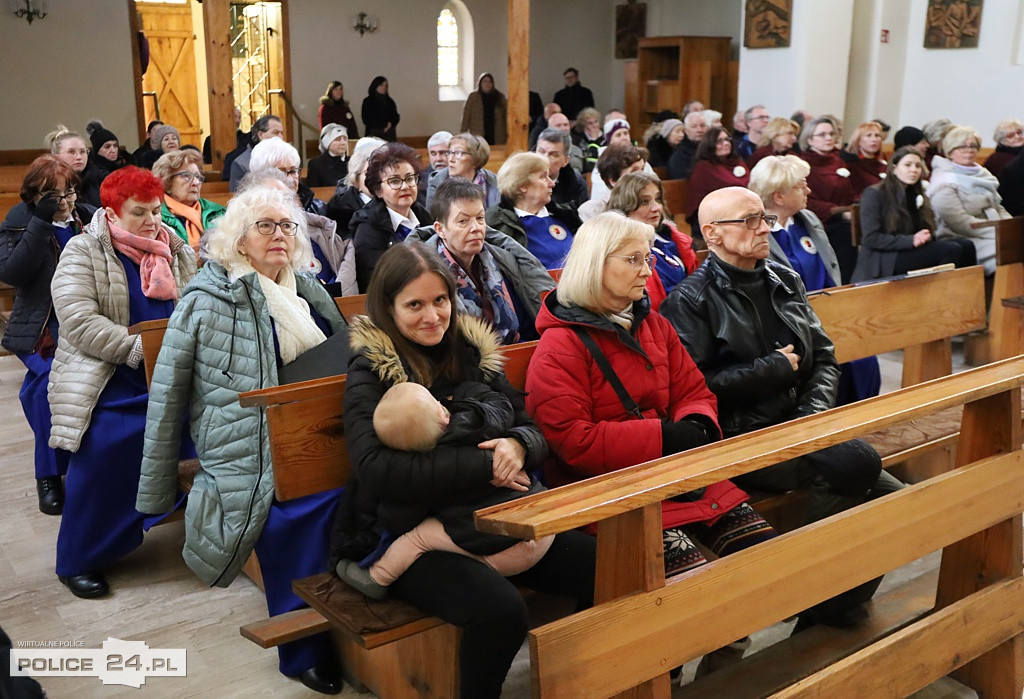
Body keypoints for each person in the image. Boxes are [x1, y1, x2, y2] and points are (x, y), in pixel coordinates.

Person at [333, 242, 596, 698]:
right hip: (409, 529)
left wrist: (517, 444)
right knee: (499, 612)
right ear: (387, 307)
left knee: (607, 566)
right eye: (414, 304)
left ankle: (587, 679)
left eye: (441, 301)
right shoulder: (372, 369)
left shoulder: (471, 350)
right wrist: (484, 465)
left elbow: (531, 427)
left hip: (490, 512)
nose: (433, 316)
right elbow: (375, 470)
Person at [525, 211, 775, 676]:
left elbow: (693, 390)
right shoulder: (559, 348)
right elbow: (572, 442)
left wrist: (696, 424)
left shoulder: (652, 325)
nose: (648, 269)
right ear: (597, 265)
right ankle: (659, 674)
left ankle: (724, 672)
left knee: (762, 560)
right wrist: (663, 435)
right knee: (694, 590)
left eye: (647, 258)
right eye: (634, 259)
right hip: (608, 493)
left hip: (676, 476)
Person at [137, 185, 349, 695]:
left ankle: (362, 616)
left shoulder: (307, 287)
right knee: (302, 510)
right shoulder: (206, 300)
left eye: (287, 226)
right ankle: (302, 648)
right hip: (248, 444)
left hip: (320, 428)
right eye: (265, 226)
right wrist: (157, 489)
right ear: (238, 239)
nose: (280, 235)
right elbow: (165, 396)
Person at [661, 187, 903, 629]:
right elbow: (695, 391)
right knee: (852, 470)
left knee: (896, 501)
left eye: (763, 217)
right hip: (742, 437)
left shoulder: (782, 278)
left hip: (801, 428)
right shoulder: (690, 302)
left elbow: (825, 357)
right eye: (749, 220)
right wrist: (769, 369)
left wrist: (809, 416)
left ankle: (827, 603)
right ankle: (817, 602)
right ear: (712, 233)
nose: (762, 228)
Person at [48, 166, 197, 599]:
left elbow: (197, 301)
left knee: (226, 425)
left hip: (173, 372)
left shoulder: (175, 246)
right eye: (139, 213)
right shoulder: (83, 251)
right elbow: (77, 320)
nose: (153, 222)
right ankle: (80, 556)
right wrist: (138, 351)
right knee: (107, 444)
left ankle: (205, 523)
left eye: (156, 211)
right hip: (110, 375)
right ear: (112, 212)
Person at [334, 379, 552, 600]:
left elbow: (399, 519)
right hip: (543, 524)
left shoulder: (427, 473)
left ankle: (377, 577)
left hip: (503, 551)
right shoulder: (481, 421)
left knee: (417, 537)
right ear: (444, 414)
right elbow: (501, 405)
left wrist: (388, 515)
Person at [0, 156, 96, 516]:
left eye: (68, 192)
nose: (63, 202)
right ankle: (50, 476)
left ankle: (79, 467)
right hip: (41, 326)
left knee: (38, 390)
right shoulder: (19, 221)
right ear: (33, 196)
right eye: (50, 195)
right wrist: (41, 222)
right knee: (45, 389)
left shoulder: (88, 218)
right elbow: (14, 274)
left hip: (85, 323)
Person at [749, 155, 882, 405]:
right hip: (793, 321)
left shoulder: (807, 220)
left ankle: (856, 416)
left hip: (829, 312)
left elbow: (831, 267)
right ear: (778, 196)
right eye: (801, 186)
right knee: (835, 361)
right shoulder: (758, 231)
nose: (808, 190)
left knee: (864, 357)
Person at [408, 178, 554, 343]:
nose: (475, 228)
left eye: (480, 218)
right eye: (463, 221)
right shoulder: (425, 272)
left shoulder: (503, 260)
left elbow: (528, 324)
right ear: (440, 229)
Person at [851, 147, 977, 282]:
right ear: (894, 169)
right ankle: (943, 298)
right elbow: (871, 238)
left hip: (907, 250)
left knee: (966, 245)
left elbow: (923, 230)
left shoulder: (915, 193)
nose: (914, 170)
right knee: (951, 250)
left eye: (918, 166)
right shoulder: (874, 194)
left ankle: (967, 295)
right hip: (884, 258)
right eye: (907, 165)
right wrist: (911, 240)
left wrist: (924, 234)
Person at [242, 169, 358, 296]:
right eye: (265, 225)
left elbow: (343, 287)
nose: (280, 206)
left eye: (286, 199)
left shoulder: (322, 232)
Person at [927, 125, 1011, 275]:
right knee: (1008, 253)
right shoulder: (944, 180)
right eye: (962, 147)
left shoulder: (983, 174)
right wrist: (998, 233)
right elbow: (960, 222)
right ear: (950, 151)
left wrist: (1010, 228)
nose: (969, 150)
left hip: (993, 231)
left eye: (973, 146)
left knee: (1016, 245)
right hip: (963, 237)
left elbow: (998, 207)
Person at [351, 142, 432, 290]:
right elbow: (376, 283)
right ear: (378, 190)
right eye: (394, 181)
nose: (405, 186)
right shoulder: (368, 229)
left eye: (409, 179)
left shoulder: (426, 219)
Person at [607, 171, 698, 302]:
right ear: (625, 206)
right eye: (644, 202)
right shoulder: (620, 254)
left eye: (658, 199)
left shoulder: (672, 241)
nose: (656, 208)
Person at [488, 152, 580, 270]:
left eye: (549, 177)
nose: (551, 184)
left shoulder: (565, 215)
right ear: (522, 185)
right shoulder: (500, 225)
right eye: (543, 177)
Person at [798, 117, 858, 283]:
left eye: (831, 134)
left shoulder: (838, 161)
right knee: (846, 235)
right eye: (822, 134)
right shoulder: (803, 164)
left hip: (844, 219)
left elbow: (849, 193)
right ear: (809, 139)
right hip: (818, 221)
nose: (828, 138)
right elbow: (806, 200)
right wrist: (839, 212)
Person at [153, 148, 225, 253]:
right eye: (186, 176)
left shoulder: (218, 213)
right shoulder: (157, 218)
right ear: (167, 182)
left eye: (197, 176)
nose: (195, 182)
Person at [685, 126, 750, 240]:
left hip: (740, 215)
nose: (726, 143)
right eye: (720, 141)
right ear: (710, 145)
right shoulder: (704, 167)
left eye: (727, 139)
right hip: (714, 220)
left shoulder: (737, 162)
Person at [249, 137, 325, 216]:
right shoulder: (249, 212)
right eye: (281, 173)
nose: (290, 179)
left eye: (293, 171)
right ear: (261, 177)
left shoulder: (317, 208)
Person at [324, 136, 385, 234]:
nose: (378, 177)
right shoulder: (340, 212)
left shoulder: (400, 203)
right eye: (370, 172)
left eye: (383, 171)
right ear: (356, 180)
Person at [425, 133, 500, 210]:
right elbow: (432, 218)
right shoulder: (437, 180)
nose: (451, 159)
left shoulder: (494, 181)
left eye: (458, 153)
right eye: (450, 153)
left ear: (475, 159)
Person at [579, 143, 648, 221]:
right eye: (634, 171)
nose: (643, 177)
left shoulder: (651, 206)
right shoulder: (593, 211)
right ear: (612, 180)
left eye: (642, 169)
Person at [227, 114, 285, 190]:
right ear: (260, 135)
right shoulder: (241, 163)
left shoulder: (286, 159)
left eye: (281, 133)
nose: (280, 137)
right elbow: (238, 195)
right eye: (275, 133)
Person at [535, 128, 588, 209]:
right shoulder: (519, 178)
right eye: (541, 151)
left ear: (565, 161)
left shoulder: (576, 184)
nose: (544, 158)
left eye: (553, 155)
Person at [45, 126, 95, 207]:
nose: (79, 157)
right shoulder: (48, 184)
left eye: (82, 151)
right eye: (71, 152)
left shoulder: (98, 180)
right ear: (56, 156)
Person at [84, 121, 133, 199]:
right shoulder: (91, 173)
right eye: (107, 147)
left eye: (115, 146)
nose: (113, 150)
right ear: (97, 150)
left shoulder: (124, 166)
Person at [841, 121, 888, 195]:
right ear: (858, 141)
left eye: (877, 135)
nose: (874, 139)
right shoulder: (851, 165)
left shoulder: (883, 164)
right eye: (869, 135)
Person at [461, 72, 507, 145]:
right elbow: (466, 115)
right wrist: (463, 134)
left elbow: (506, 115)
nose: (487, 84)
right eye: (485, 81)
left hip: (496, 134)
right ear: (480, 83)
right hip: (478, 134)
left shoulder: (500, 97)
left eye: (490, 81)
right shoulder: (473, 97)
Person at [305, 124, 349, 188]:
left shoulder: (352, 161)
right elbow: (313, 191)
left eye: (345, 139)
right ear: (327, 143)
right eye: (338, 139)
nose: (343, 143)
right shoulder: (316, 164)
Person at [666, 112, 707, 179]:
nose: (699, 130)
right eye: (694, 126)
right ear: (686, 131)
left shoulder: (712, 148)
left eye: (702, 126)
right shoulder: (680, 155)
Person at [417, 130, 453, 207]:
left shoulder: (463, 176)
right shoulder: (421, 183)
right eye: (433, 154)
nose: (438, 159)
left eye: (443, 153)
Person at [361, 76, 400, 141]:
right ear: (375, 86)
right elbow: (366, 118)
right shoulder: (368, 101)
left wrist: (391, 124)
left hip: (389, 134)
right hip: (374, 133)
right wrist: (383, 125)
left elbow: (396, 116)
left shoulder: (390, 101)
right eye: (381, 85)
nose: (384, 88)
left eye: (386, 86)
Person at [571, 106, 604, 173]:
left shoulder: (605, 137)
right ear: (584, 125)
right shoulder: (578, 139)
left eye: (596, 121)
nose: (594, 125)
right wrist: (593, 140)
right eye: (590, 123)